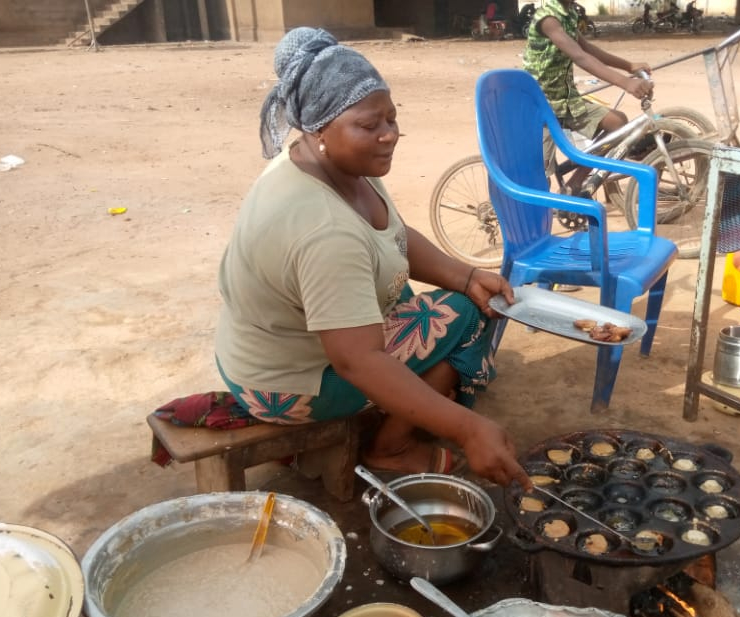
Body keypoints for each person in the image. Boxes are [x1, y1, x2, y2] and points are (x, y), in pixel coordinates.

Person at [214, 27, 530, 488]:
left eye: (391, 119)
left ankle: (405, 412)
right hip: (288, 382)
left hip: (263, 348)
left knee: (455, 294)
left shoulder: (321, 158)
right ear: (320, 127)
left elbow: (391, 233)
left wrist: (465, 275)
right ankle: (392, 449)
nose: (389, 136)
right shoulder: (323, 229)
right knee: (469, 318)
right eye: (369, 125)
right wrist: (469, 430)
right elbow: (357, 362)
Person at [523, 0, 653, 196]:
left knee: (617, 123)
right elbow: (580, 57)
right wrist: (625, 82)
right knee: (539, 178)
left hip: (566, 101)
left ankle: (573, 186)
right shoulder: (547, 18)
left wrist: (629, 66)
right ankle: (532, 219)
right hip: (541, 105)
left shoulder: (570, 15)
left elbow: (588, 49)